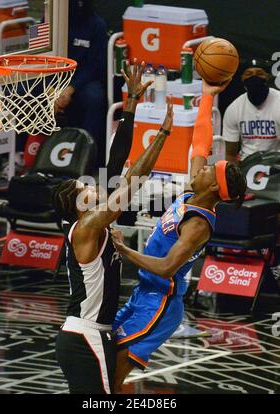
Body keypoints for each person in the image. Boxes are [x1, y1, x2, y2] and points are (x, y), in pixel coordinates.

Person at [111, 78, 247, 393]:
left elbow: (167, 267)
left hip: (160, 303)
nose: (201, 168)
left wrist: (125, 249)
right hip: (144, 294)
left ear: (214, 187)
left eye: (208, 171)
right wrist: (207, 96)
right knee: (103, 367)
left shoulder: (199, 223)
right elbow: (200, 142)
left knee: (114, 378)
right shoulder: (191, 191)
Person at [53, 60, 174, 394]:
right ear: (79, 207)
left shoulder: (89, 222)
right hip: (85, 336)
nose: (93, 186)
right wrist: (162, 135)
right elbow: (133, 181)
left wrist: (131, 105)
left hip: (92, 334)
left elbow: (117, 162)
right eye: (85, 189)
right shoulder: (87, 227)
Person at [54, 0, 108, 167]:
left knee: (95, 98)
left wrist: (70, 89)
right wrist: (51, 88)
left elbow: (95, 66)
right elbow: (38, 55)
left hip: (81, 81)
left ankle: (85, 158)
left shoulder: (97, 25)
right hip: (51, 77)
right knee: (19, 89)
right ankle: (22, 154)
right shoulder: (47, 21)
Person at [223, 58, 280, 164]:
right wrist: (235, 178)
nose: (254, 77)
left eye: (259, 73)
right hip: (245, 163)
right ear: (242, 78)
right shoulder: (234, 108)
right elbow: (230, 154)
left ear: (267, 77)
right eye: (249, 74)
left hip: (276, 163)